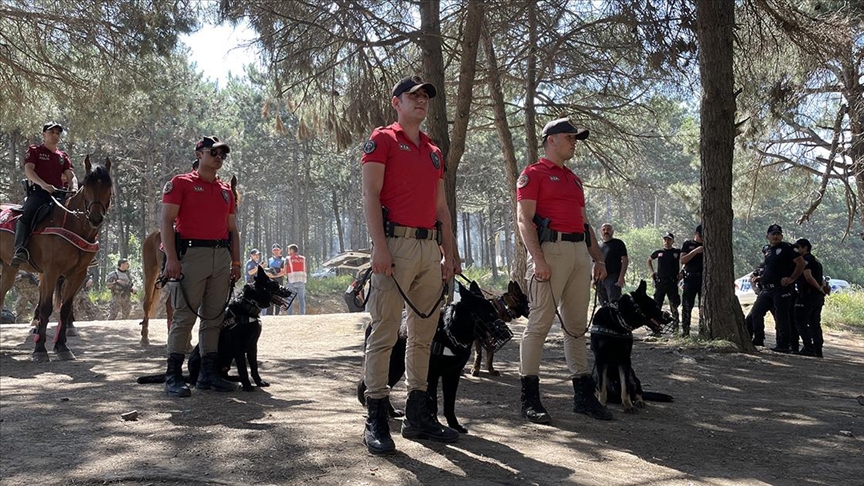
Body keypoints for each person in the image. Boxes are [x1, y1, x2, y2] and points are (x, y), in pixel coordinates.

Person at [360, 75, 461, 454]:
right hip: (395, 245)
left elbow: (440, 208)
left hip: (428, 249)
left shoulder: (434, 151)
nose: (420, 101)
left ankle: (418, 416)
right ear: (395, 103)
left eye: (425, 97)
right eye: (412, 96)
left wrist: (450, 252)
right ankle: (376, 416)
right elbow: (370, 195)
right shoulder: (382, 140)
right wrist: (379, 248)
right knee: (385, 330)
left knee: (423, 335)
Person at [516, 117, 611, 425]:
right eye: (569, 137)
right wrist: (538, 259)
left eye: (575, 138)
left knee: (576, 326)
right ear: (551, 140)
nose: (574, 142)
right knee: (539, 323)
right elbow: (524, 220)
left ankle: (583, 397)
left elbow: (585, 224)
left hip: (578, 253)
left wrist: (597, 258)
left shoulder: (574, 179)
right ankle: (529, 398)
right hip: (551, 251)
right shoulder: (533, 174)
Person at [160, 136, 241, 397]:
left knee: (214, 318)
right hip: (191, 255)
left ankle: (208, 374)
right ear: (199, 153)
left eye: (222, 154)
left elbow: (233, 231)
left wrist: (236, 261)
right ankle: (173, 375)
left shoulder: (226, 190)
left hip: (220, 256)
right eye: (213, 152)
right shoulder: (180, 183)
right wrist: (172, 258)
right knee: (185, 317)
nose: (218, 157)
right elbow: (166, 222)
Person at [11, 122, 78, 267]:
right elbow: (29, 170)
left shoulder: (63, 157)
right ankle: (20, 249)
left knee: (76, 216)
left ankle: (82, 253)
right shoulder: (34, 151)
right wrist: (43, 184)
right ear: (43, 134)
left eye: (57, 133)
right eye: (51, 132)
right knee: (28, 212)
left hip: (60, 195)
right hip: (39, 194)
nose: (55, 135)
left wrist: (74, 187)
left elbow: (70, 175)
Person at [745, 224, 805, 352]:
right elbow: (770, 266)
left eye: (778, 234)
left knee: (781, 317)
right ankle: (758, 340)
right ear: (767, 236)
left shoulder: (787, 248)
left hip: (781, 289)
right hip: (766, 289)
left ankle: (783, 345)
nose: (775, 236)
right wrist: (762, 277)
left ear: (782, 236)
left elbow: (801, 263)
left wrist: (792, 278)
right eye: (773, 234)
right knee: (756, 313)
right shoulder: (766, 249)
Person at [792, 238, 828, 357]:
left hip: (808, 296)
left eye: (798, 247)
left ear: (805, 248)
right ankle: (818, 349)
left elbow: (808, 276)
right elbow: (821, 278)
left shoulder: (806, 260)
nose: (796, 250)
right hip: (817, 297)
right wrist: (821, 289)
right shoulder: (816, 261)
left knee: (799, 319)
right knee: (814, 323)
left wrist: (818, 288)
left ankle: (808, 347)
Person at [647, 232, 682, 330]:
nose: (667, 241)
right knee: (657, 305)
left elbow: (685, 260)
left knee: (674, 305)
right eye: (665, 239)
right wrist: (652, 272)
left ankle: (675, 328)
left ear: (673, 241)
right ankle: (656, 327)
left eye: (669, 239)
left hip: (672, 283)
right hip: (660, 283)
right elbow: (649, 260)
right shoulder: (658, 252)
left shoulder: (677, 252)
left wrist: (682, 272)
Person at [679, 224, 704, 337]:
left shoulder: (707, 245)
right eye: (700, 235)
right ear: (696, 233)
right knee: (687, 305)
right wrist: (695, 252)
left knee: (703, 307)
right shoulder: (688, 244)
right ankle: (685, 331)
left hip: (703, 279)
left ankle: (703, 332)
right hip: (689, 279)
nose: (702, 238)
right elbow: (683, 260)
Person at [598, 223, 628, 303]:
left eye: (608, 229)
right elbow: (595, 263)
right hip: (600, 280)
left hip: (613, 278)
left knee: (615, 304)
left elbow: (625, 260)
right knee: (603, 304)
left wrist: (621, 277)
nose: (606, 231)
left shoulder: (618, 243)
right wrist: (594, 279)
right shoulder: (599, 246)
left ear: (612, 231)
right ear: (600, 232)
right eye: (604, 230)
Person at [285, 244, 307, 315]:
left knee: (290, 299)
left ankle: (290, 315)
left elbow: (285, 271)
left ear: (292, 250)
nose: (288, 251)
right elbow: (305, 269)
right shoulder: (303, 258)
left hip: (291, 281)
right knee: (301, 299)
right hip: (301, 281)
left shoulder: (288, 259)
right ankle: (302, 314)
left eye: (288, 250)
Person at [266, 244, 286, 315]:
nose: (276, 251)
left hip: (279, 283)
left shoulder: (283, 260)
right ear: (272, 251)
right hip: (270, 283)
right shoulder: (269, 260)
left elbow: (283, 272)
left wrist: (274, 276)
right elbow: (267, 270)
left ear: (280, 250)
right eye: (274, 250)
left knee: (278, 299)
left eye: (277, 250)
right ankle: (269, 315)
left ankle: (277, 315)